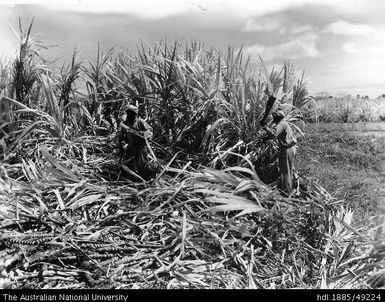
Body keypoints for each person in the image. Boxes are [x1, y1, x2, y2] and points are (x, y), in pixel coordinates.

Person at [264, 109, 297, 196]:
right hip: (290, 148)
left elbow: (273, 135)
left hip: (286, 149)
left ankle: (287, 192)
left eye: (274, 118)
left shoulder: (281, 124)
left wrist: (265, 127)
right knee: (289, 170)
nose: (273, 120)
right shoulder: (284, 123)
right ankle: (289, 189)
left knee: (286, 171)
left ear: (276, 118)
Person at [119, 104, 154, 180]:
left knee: (142, 166)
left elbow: (150, 131)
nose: (130, 115)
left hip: (141, 149)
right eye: (128, 113)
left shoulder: (140, 122)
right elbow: (121, 136)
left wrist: (142, 134)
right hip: (130, 149)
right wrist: (121, 147)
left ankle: (145, 181)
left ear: (135, 114)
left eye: (132, 113)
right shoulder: (125, 124)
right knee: (130, 167)